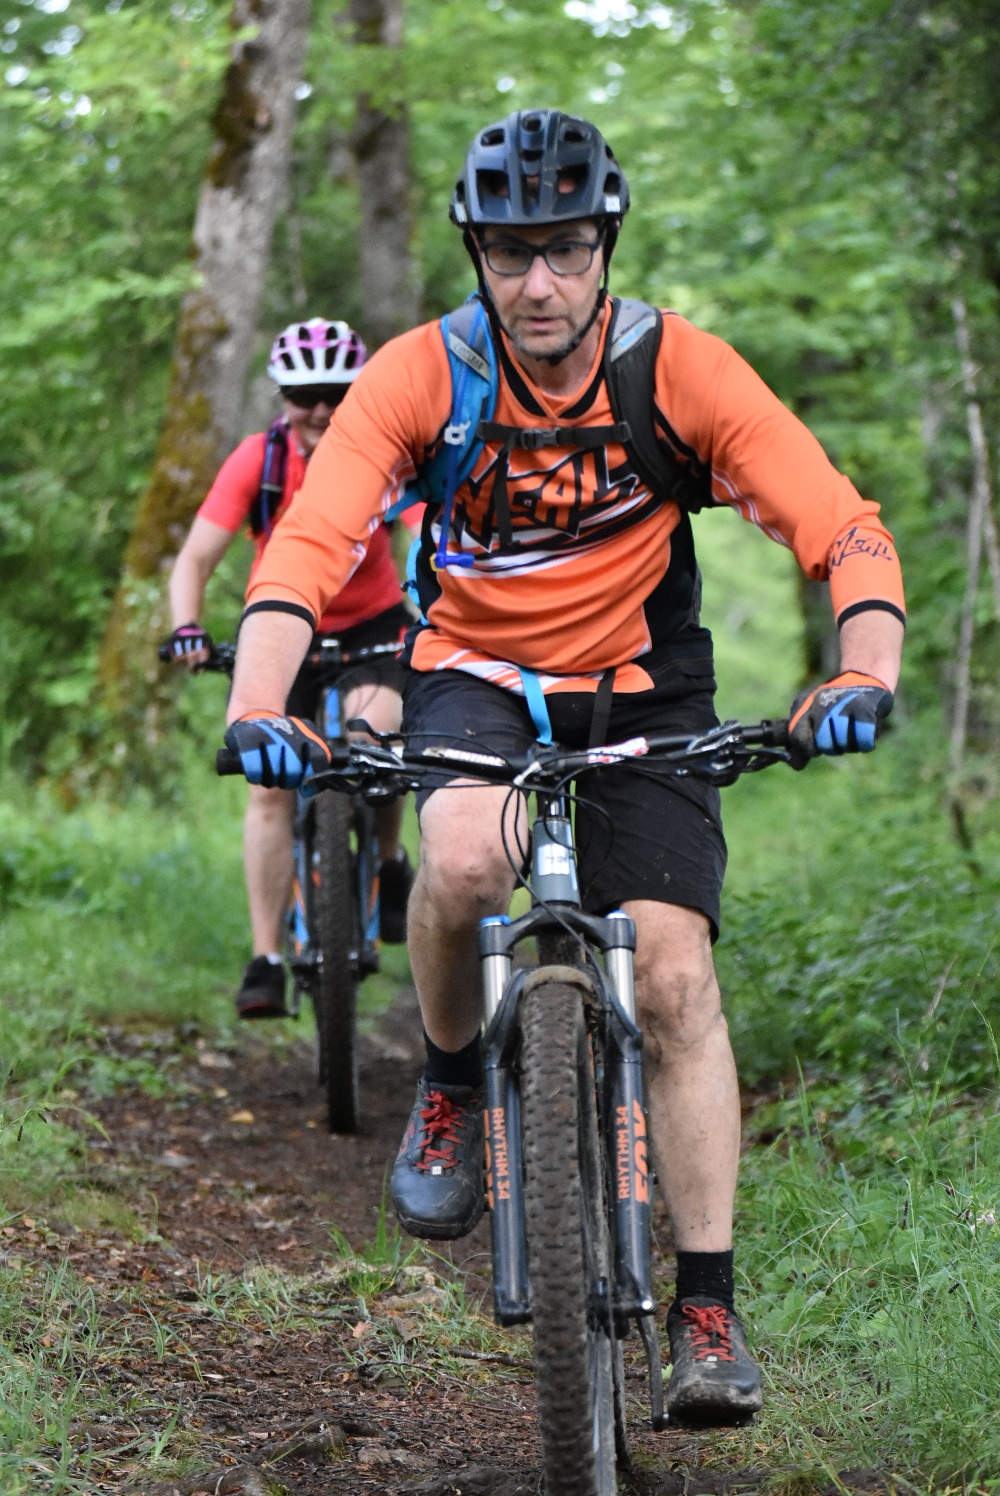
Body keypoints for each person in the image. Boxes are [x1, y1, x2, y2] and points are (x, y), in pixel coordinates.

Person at [221, 113, 905, 1424]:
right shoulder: (423, 376)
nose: (539, 282)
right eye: (510, 253)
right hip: (473, 675)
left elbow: (841, 526)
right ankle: (450, 1082)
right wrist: (262, 701)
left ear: (606, 245)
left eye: (568, 249)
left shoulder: (677, 369)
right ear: (475, 255)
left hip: (644, 685)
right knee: (458, 860)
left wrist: (861, 671)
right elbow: (308, 545)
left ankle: (705, 1304)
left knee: (675, 972)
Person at [165, 317, 413, 1020]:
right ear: (282, 397)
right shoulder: (260, 460)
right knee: (269, 790)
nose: (321, 409)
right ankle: (266, 956)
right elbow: (195, 558)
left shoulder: (385, 452)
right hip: (283, 633)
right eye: (305, 395)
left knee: (376, 744)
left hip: (373, 627)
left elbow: (432, 530)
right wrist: (187, 628)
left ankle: (388, 860)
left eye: (337, 392)